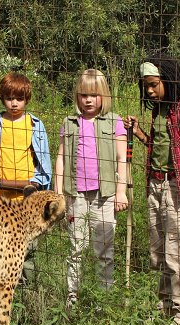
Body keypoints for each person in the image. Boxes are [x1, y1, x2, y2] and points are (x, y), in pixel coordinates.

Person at [123, 52, 180, 325]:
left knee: (176, 250)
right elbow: (156, 145)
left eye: (153, 84)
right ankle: (165, 305)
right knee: (157, 250)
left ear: (169, 80)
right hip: (155, 185)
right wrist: (137, 132)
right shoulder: (157, 111)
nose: (149, 90)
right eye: (145, 86)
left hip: (179, 187)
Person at [54, 69, 128, 309]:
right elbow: (61, 157)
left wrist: (121, 191)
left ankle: (103, 300)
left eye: (93, 95)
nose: (88, 100)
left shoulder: (114, 122)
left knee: (104, 250)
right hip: (75, 195)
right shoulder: (69, 122)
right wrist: (58, 194)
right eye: (83, 94)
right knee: (76, 248)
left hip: (104, 196)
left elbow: (121, 159)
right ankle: (72, 297)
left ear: (103, 96)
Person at [0, 72, 52, 286]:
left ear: (27, 99)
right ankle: (3, 288)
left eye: (19, 99)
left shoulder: (35, 125)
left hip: (27, 200)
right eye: (9, 98)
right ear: (2, 98)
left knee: (27, 249)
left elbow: (44, 161)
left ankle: (27, 290)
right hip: (1, 198)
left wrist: (36, 184)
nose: (14, 103)